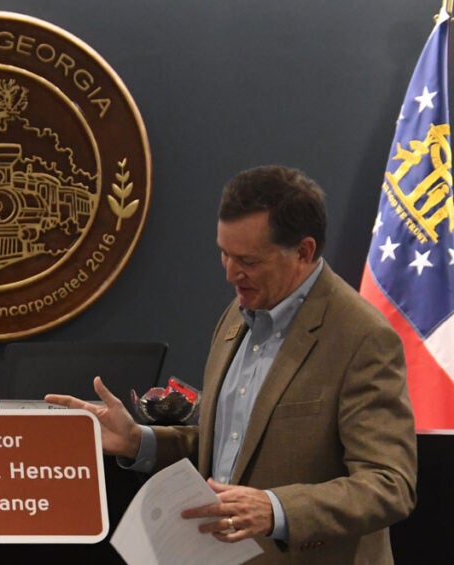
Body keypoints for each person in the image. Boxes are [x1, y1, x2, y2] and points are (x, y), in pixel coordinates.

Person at [47, 165, 417, 564]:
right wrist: (141, 441)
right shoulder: (238, 313)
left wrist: (276, 509)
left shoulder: (363, 338)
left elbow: (389, 484)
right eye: (223, 253)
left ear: (304, 252)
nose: (230, 273)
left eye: (248, 260)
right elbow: (224, 446)